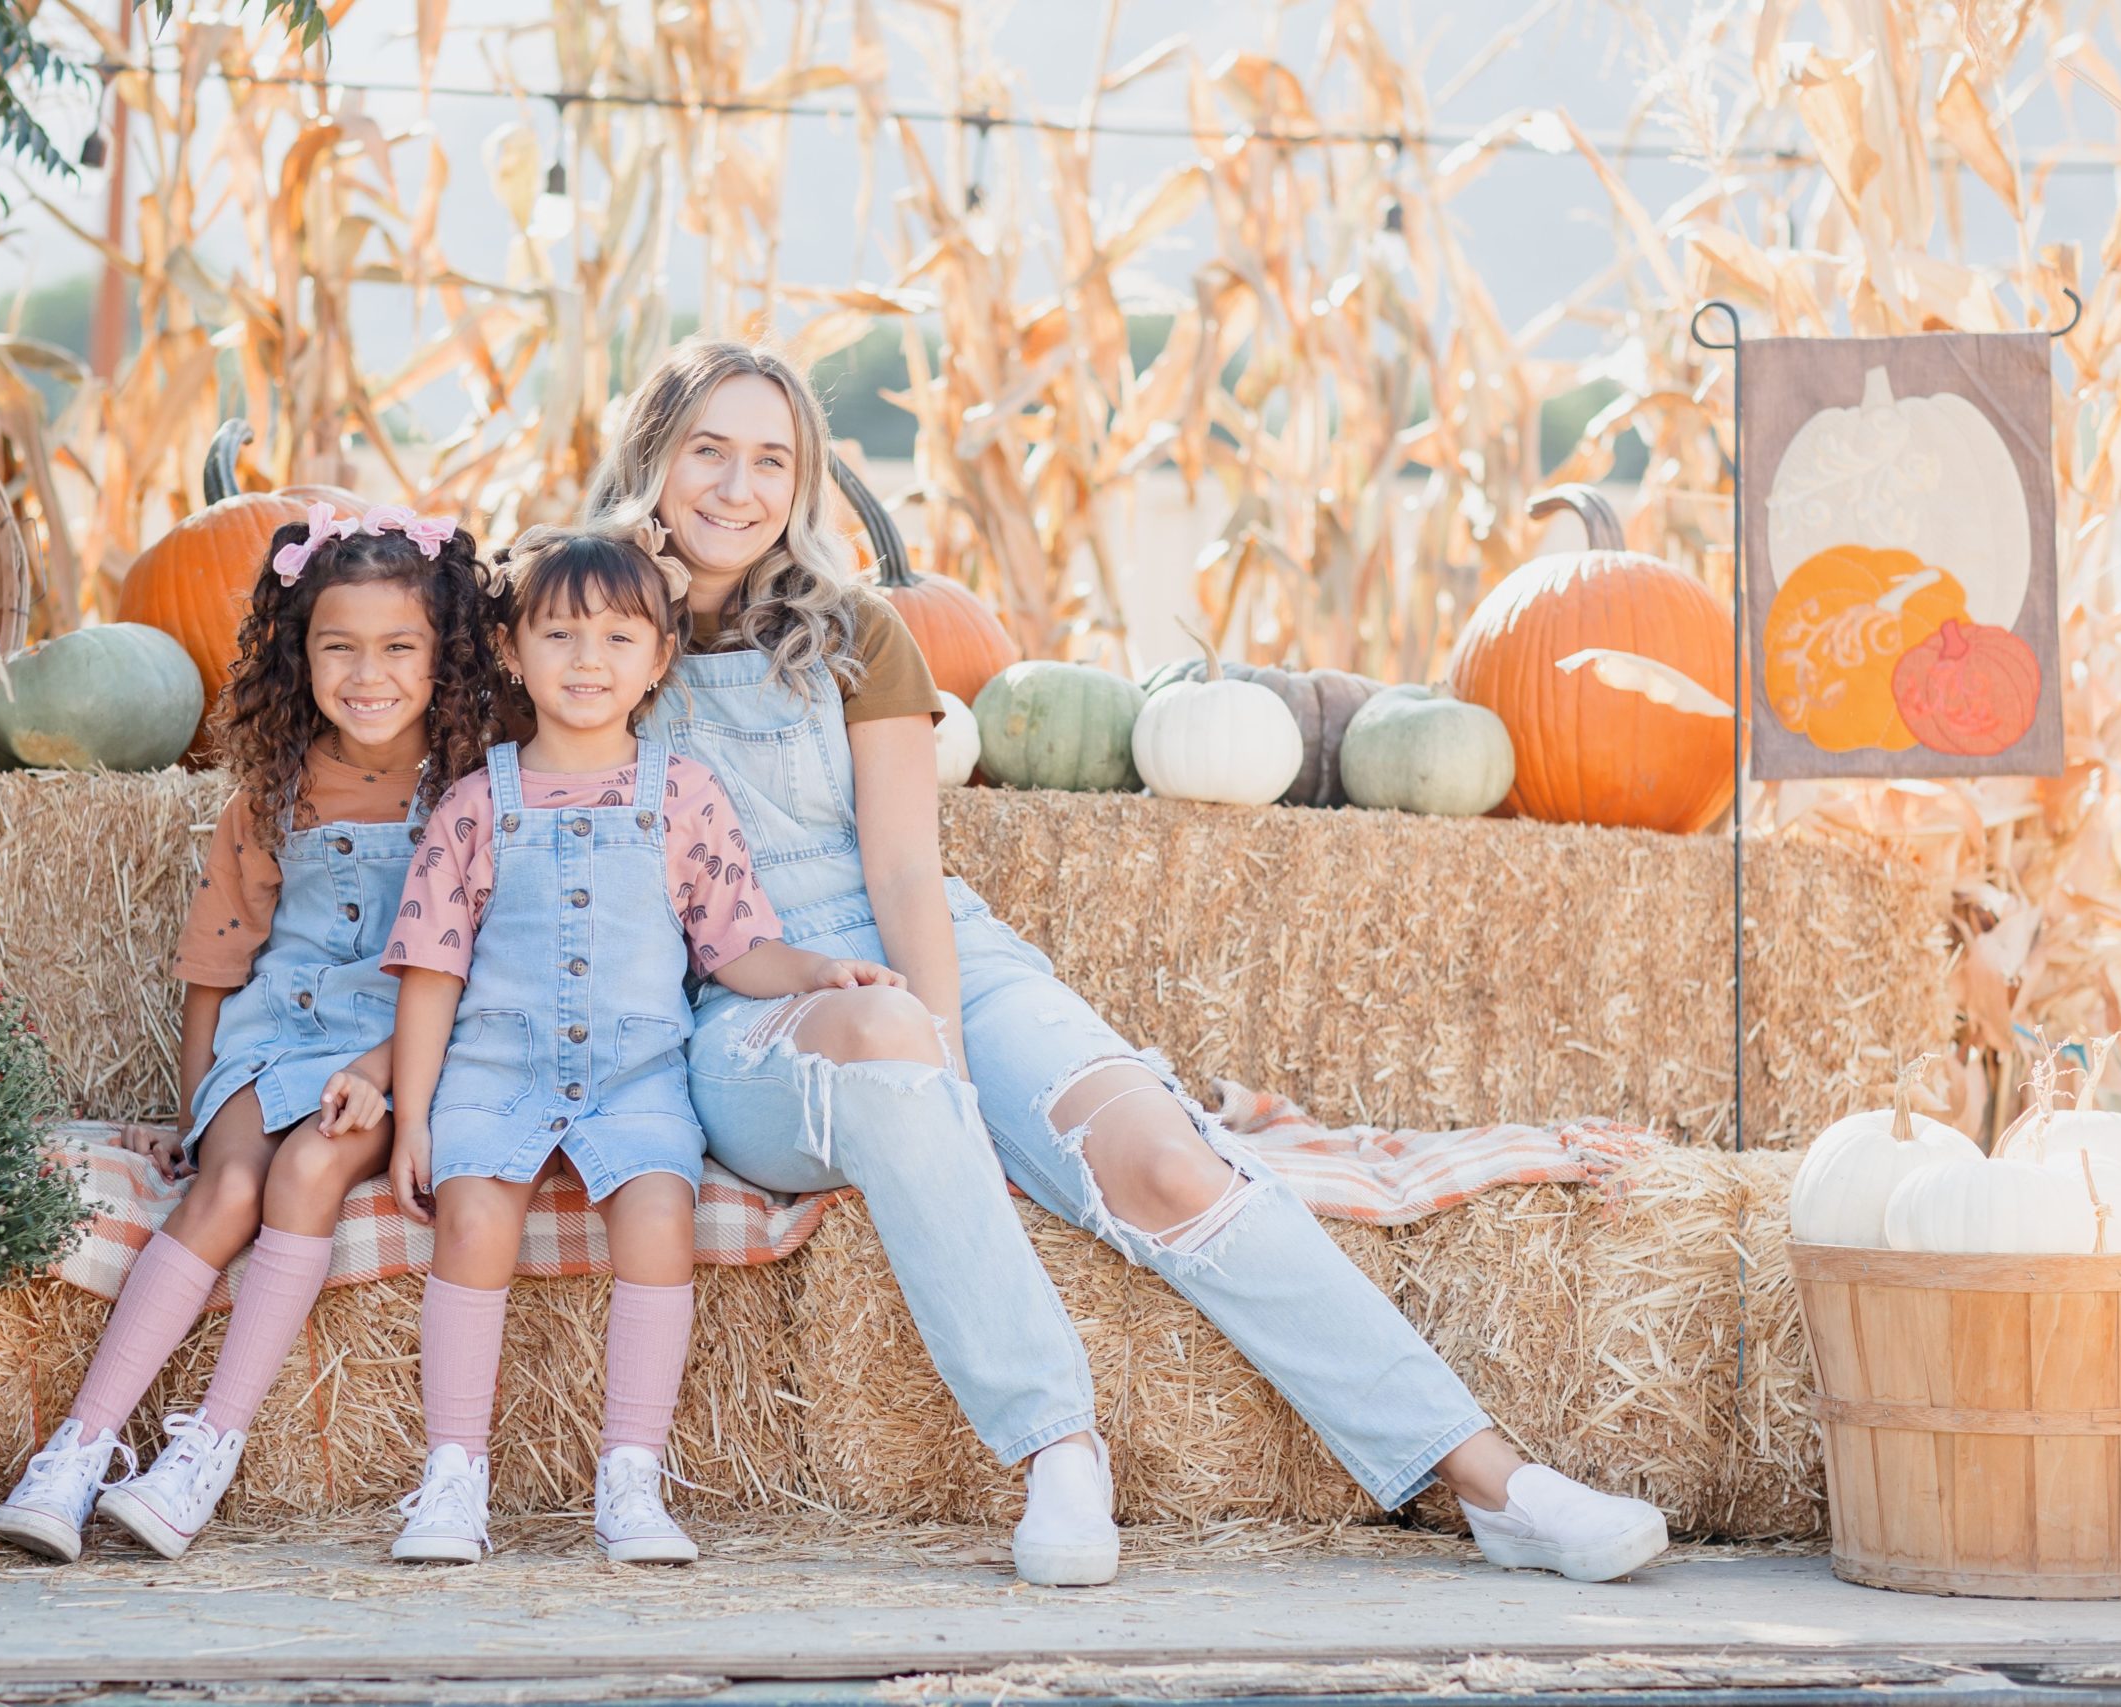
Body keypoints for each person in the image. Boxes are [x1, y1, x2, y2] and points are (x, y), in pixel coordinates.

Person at [584, 336, 1673, 1587]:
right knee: (883, 1048)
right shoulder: (583, 623)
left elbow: (897, 872)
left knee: (1163, 1160)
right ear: (651, 454)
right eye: (706, 450)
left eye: (770, 459)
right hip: (749, 1010)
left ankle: (1495, 1481)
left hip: (930, 954)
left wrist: (948, 1046)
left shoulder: (852, 634)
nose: (735, 487)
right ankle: (1058, 1451)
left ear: (806, 480)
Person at [378, 524, 904, 1567]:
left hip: (635, 1074)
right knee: (474, 1215)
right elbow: (433, 970)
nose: (587, 661)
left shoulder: (683, 795)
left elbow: (735, 942)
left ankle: (631, 1475)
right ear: (513, 654)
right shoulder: (478, 803)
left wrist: (813, 972)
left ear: (659, 660)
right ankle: (450, 1475)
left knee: (662, 1213)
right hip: (497, 1067)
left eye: (618, 638)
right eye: (560, 635)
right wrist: (415, 1114)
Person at [0, 503, 501, 1563]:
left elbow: (476, 971)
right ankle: (76, 1451)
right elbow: (216, 963)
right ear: (298, 654)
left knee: (308, 1172)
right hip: (272, 1038)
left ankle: (202, 1452)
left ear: (443, 656)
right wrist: (195, 1103)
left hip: (398, 1048)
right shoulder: (272, 790)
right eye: (338, 647)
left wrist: (382, 1074)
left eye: (399, 647)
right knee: (224, 1187)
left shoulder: (477, 791)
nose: (369, 673)